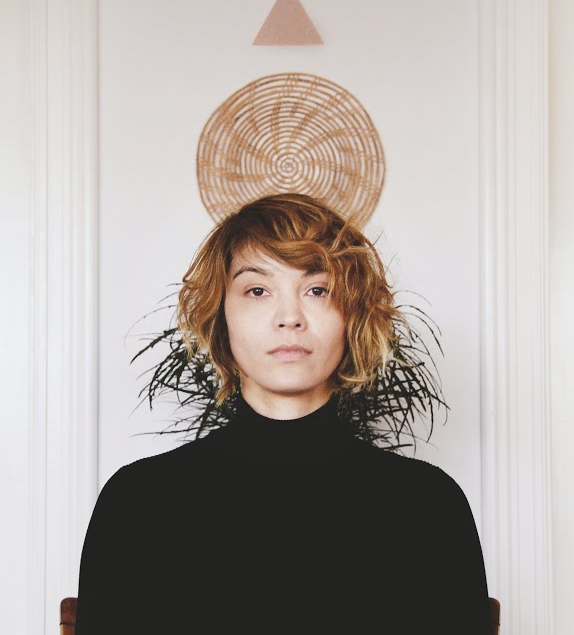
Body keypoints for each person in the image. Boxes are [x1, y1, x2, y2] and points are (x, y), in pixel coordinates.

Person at [74, 193, 493, 634]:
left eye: (317, 290)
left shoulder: (429, 507)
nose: (289, 317)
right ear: (221, 316)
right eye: (257, 290)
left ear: (352, 315)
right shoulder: (137, 505)